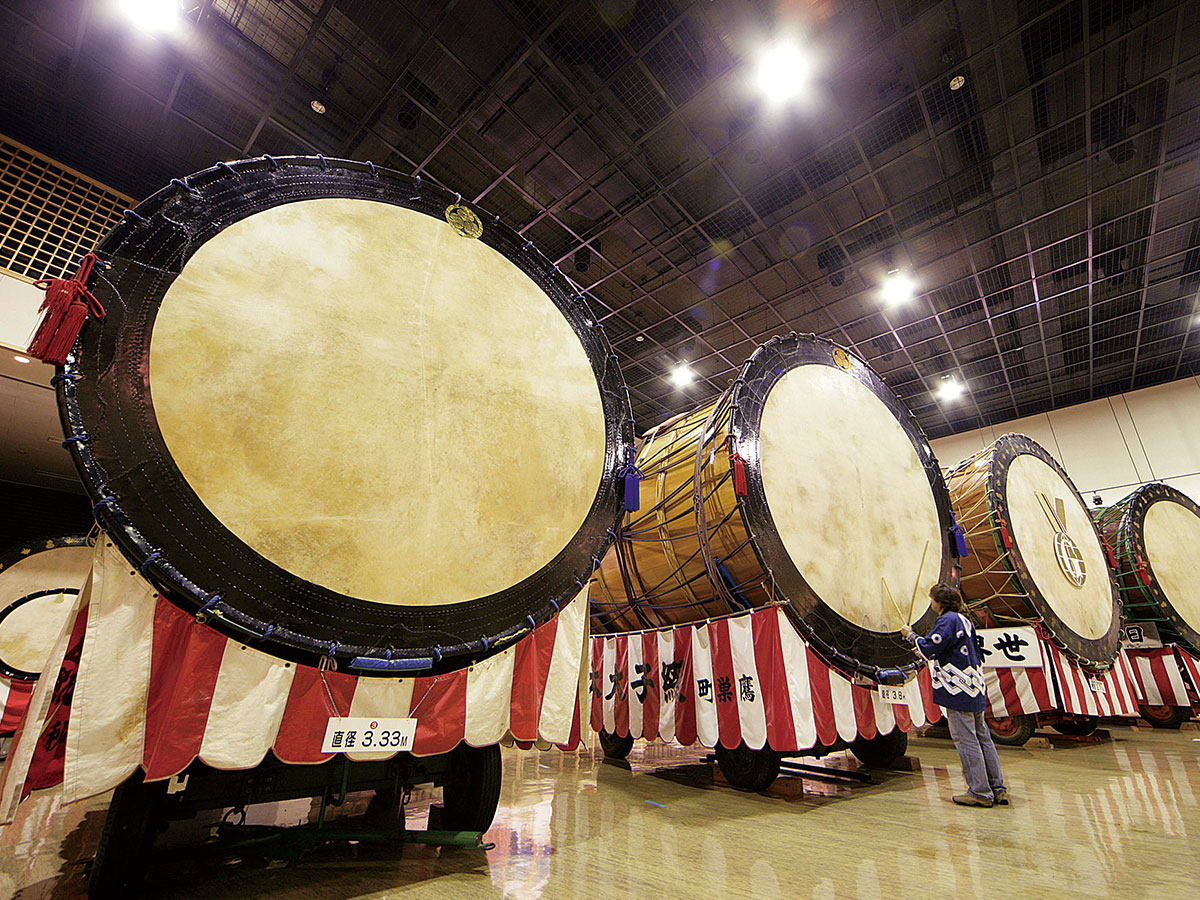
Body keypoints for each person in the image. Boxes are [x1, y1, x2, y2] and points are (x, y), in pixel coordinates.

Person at [900, 583, 1009, 808]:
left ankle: (980, 791)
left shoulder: (947, 620)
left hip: (958, 687)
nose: (930, 604)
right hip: (974, 685)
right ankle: (997, 788)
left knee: (966, 739)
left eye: (932, 600)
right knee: (982, 737)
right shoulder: (965, 620)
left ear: (939, 602)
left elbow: (930, 648)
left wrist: (911, 636)